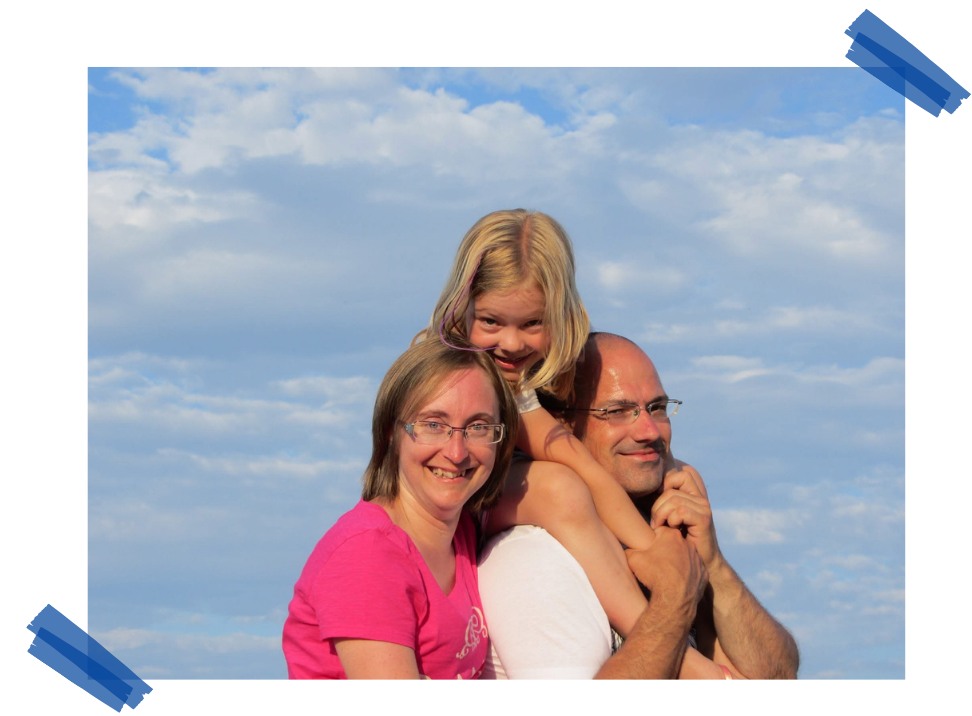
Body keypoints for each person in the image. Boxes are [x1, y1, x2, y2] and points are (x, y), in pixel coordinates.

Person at [421, 209, 723, 677]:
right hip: (444, 503)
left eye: (532, 324)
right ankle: (690, 666)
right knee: (557, 489)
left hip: (477, 499)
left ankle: (678, 627)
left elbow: (573, 455)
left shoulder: (518, 385)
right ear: (463, 306)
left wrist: (649, 548)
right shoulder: (444, 363)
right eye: (492, 321)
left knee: (586, 483)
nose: (512, 342)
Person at [479, 332, 800, 679]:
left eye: (657, 408)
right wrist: (675, 600)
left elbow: (777, 673)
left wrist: (712, 563)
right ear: (559, 426)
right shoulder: (536, 556)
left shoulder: (661, 530)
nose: (649, 430)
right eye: (617, 411)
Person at [282, 337, 519, 679]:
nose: (456, 452)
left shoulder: (464, 531)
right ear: (392, 432)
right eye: (433, 425)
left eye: (478, 427)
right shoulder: (367, 555)